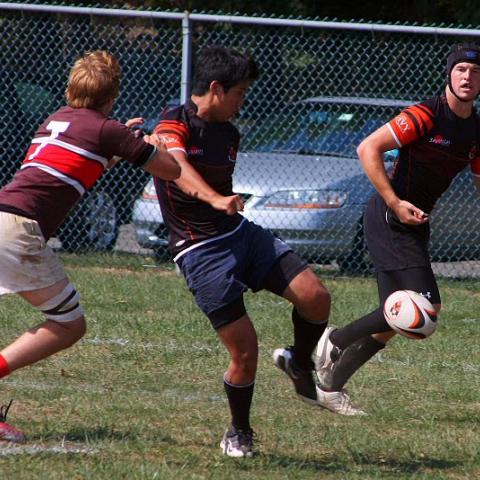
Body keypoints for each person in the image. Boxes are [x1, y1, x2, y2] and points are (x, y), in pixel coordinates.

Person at [153, 46, 331, 458]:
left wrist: (223, 205)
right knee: (245, 351)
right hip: (200, 250)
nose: (243, 101)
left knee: (316, 297)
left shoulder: (229, 133)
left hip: (239, 233)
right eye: (240, 93)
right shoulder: (172, 124)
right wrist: (215, 198)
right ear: (216, 88)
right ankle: (239, 431)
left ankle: (298, 362)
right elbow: (176, 167)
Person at [0, 50, 180, 442]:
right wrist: (149, 143)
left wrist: (119, 143)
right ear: (112, 96)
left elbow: (82, 163)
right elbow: (171, 170)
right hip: (19, 228)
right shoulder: (108, 129)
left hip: (3, 213)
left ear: (71, 88)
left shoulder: (55, 119)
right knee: (68, 323)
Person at [314, 42, 480, 415]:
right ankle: (335, 339)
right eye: (461, 70)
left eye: (475, 72)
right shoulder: (425, 115)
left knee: (395, 319)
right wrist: (395, 203)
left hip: (414, 222)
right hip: (390, 217)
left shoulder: (476, 131)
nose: (468, 77)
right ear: (449, 75)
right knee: (427, 307)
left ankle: (329, 386)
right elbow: (367, 148)